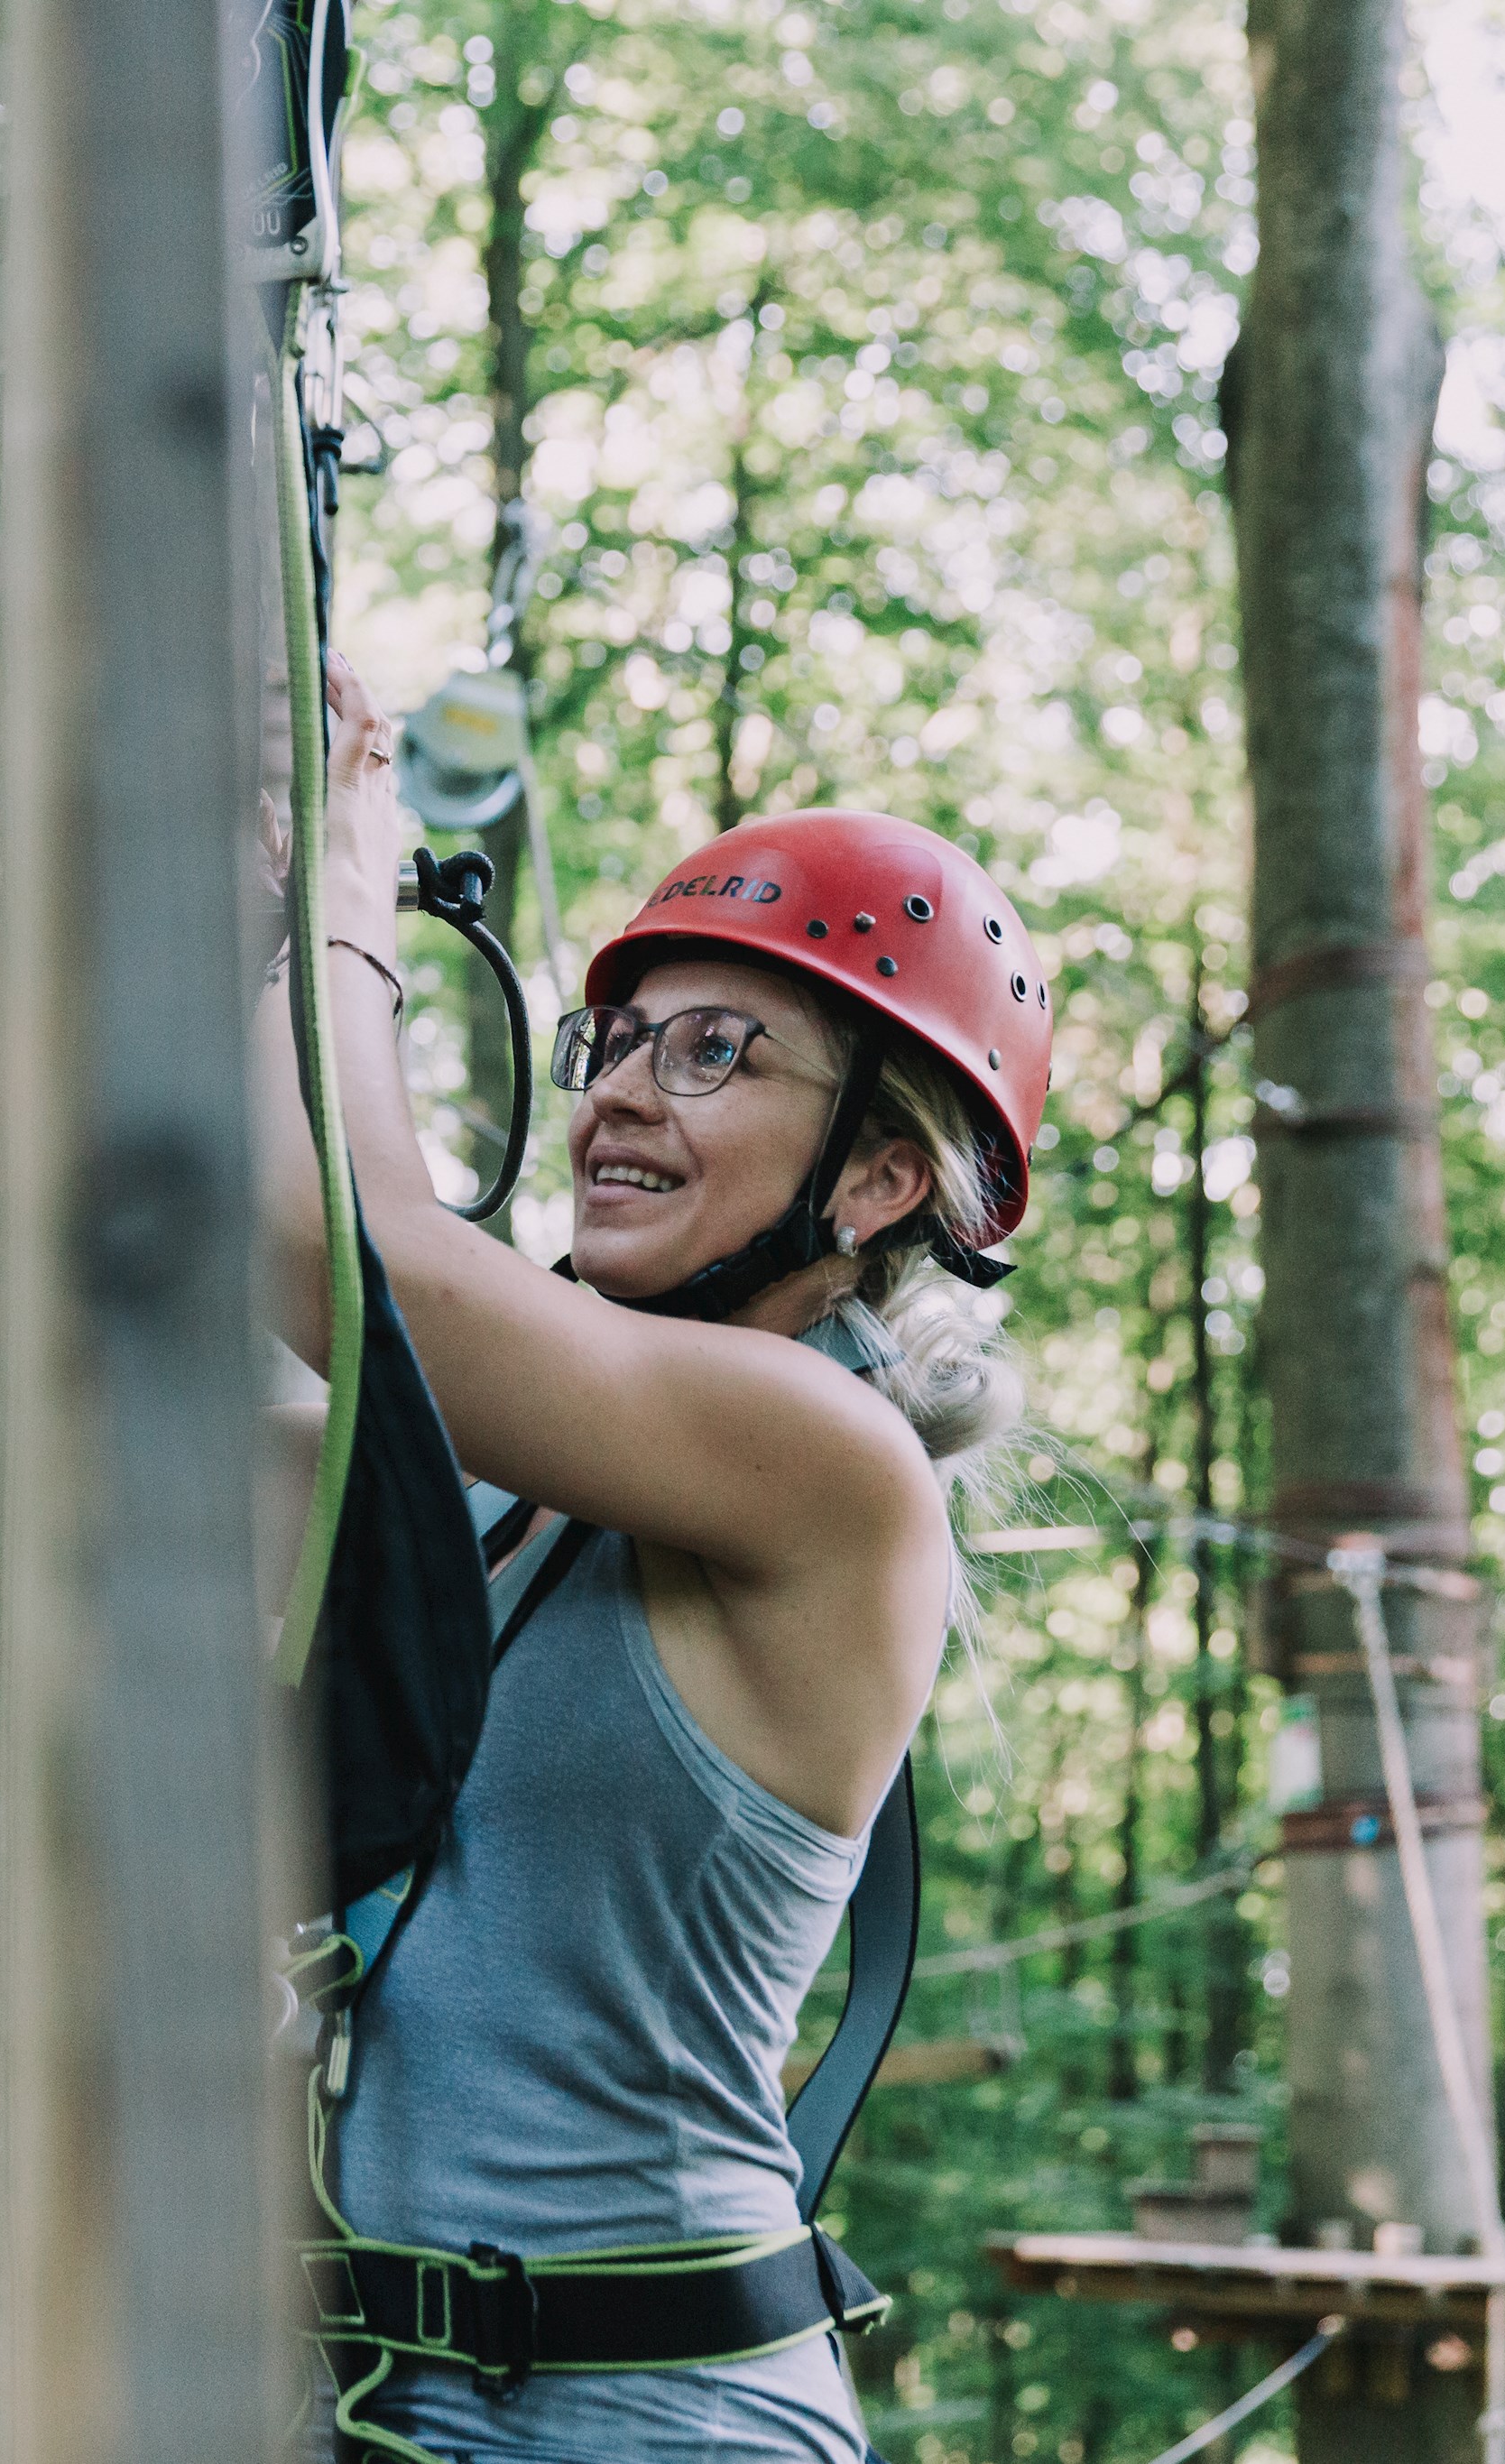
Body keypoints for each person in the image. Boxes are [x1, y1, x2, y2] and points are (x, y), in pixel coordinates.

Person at [274, 654, 1054, 2464]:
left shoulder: (830, 1462)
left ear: (868, 1180)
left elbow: (335, 1240)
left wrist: (330, 861)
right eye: (612, 1041)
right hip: (388, 2408)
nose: (617, 1093)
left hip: (645, 2420)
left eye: (711, 1051)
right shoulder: (515, 1459)